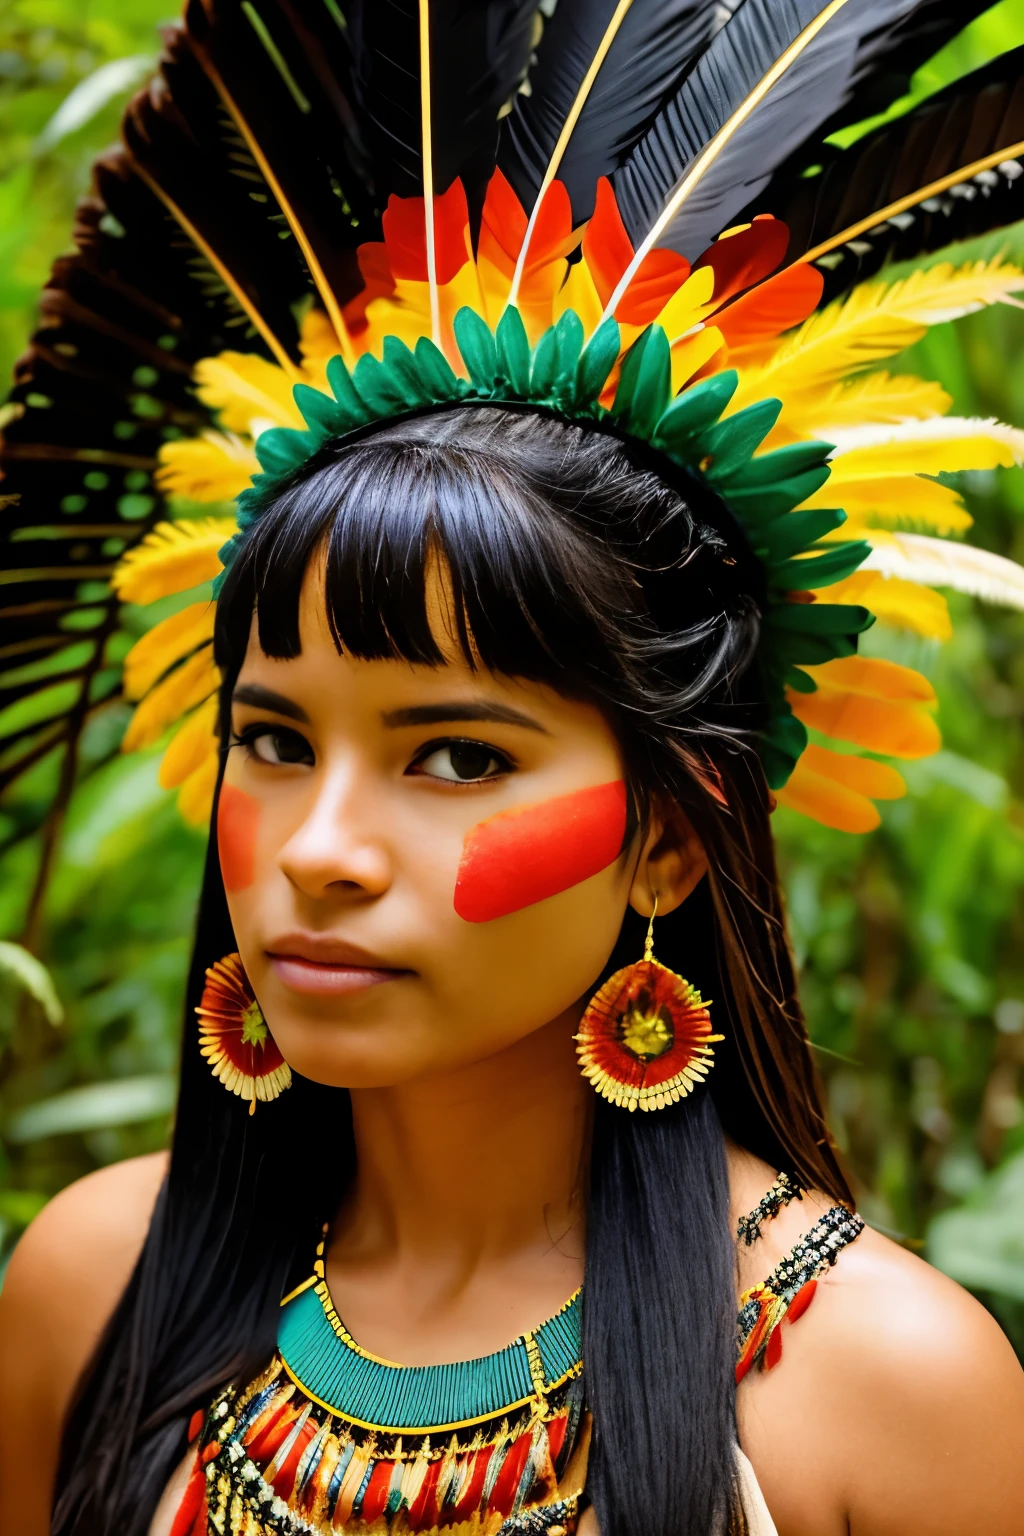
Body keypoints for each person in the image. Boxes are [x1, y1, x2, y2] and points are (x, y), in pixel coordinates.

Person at [2, 4, 1024, 1534]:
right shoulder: (90, 1289)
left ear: (672, 839)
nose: (322, 847)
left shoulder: (883, 1390)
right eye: (277, 739)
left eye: (458, 754)